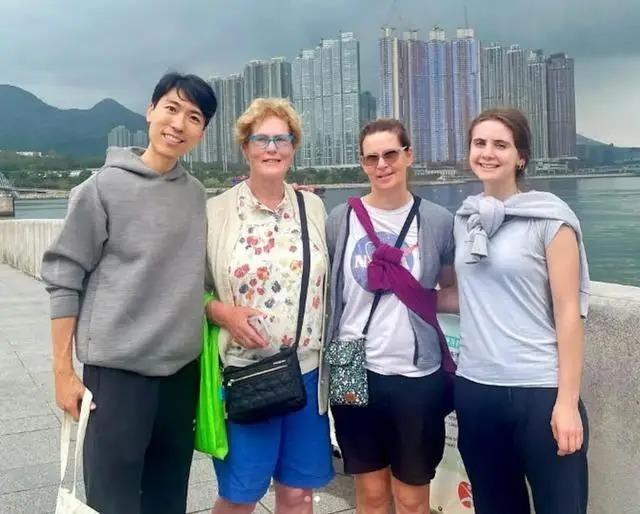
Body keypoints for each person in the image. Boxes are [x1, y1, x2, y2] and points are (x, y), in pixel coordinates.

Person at [41, 72, 218, 514]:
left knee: (167, 500)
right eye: (171, 109)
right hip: (117, 378)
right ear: (150, 111)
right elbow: (64, 275)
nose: (178, 124)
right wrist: (63, 371)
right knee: (113, 502)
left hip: (180, 377)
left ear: (202, 131)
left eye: (193, 117)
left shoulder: (196, 196)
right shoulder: (102, 188)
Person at [440, 107, 590, 514]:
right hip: (477, 390)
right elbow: (465, 296)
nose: (487, 153)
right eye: (479, 143)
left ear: (521, 157)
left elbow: (568, 313)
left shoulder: (551, 220)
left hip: (540, 391)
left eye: (500, 145)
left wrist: (566, 403)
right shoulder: (465, 220)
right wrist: (403, 293)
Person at [205, 97, 334, 514]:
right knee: (240, 496)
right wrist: (224, 313)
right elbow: (190, 290)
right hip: (246, 375)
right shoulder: (216, 213)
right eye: (261, 139)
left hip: (306, 373)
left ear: (294, 147)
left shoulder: (312, 208)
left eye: (282, 139)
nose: (272, 148)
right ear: (245, 147)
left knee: (297, 494)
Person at [325, 118, 455, 514]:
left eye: (390, 154)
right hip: (351, 366)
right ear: (362, 164)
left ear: (408, 156)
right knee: (370, 493)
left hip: (417, 374)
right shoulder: (340, 220)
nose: (382, 165)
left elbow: (450, 290)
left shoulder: (437, 221)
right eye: (371, 158)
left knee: (413, 498)